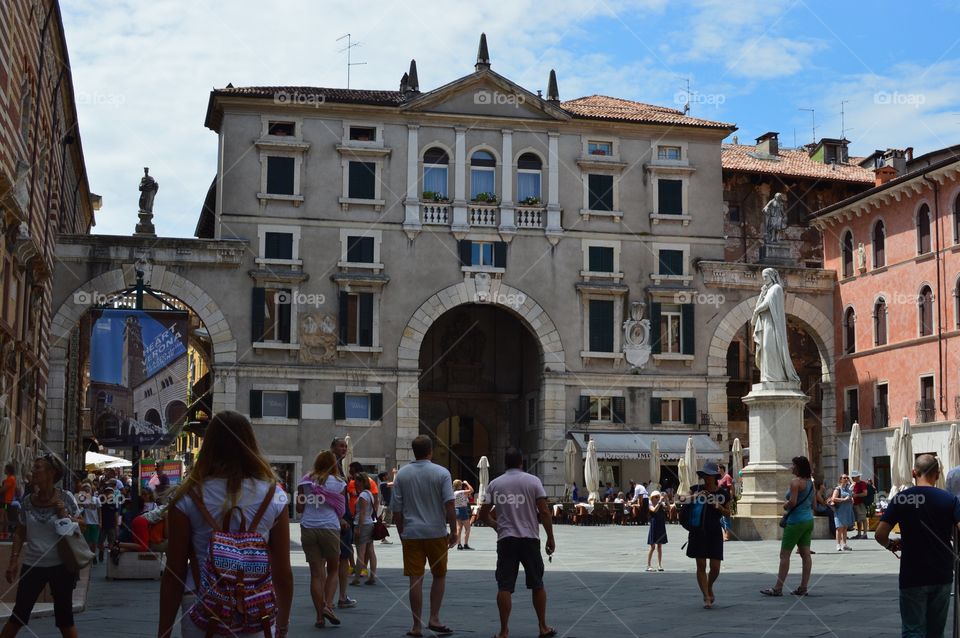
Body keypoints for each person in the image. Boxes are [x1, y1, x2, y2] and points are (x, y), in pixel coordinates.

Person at [158, 411, 293, 638]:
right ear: (250, 443)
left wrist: (163, 632)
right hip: (256, 609)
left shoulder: (187, 497)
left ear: (209, 445)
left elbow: (175, 573)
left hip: (201, 608)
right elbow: (283, 572)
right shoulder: (274, 496)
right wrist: (282, 625)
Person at [876, 454, 960, 638]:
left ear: (914, 472)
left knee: (913, 629)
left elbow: (880, 534)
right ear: (937, 475)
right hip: (942, 572)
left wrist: (892, 545)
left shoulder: (902, 498)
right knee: (936, 631)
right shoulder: (949, 500)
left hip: (912, 573)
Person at [0, 454, 81, 638]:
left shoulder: (66, 498)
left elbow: (81, 526)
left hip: (62, 567)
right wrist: (13, 560)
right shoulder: (28, 501)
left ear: (51, 473)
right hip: (33, 565)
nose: (32, 472)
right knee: (18, 617)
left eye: (37, 468)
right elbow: (20, 532)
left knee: (65, 621)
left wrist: (64, 515)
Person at [479, 448, 556, 638]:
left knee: (504, 586)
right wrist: (550, 537)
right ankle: (543, 627)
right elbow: (545, 512)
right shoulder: (533, 481)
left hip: (506, 540)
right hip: (530, 539)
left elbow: (483, 513)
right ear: (522, 462)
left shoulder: (495, 484)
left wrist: (496, 526)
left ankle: (504, 631)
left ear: (506, 463)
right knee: (537, 584)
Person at [391, 435, 458, 637]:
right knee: (439, 576)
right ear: (430, 451)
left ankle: (417, 626)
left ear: (414, 451)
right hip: (436, 532)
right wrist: (454, 530)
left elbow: (396, 510)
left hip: (411, 533)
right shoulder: (441, 473)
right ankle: (434, 618)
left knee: (415, 579)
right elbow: (449, 504)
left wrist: (402, 532)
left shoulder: (402, 475)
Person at [298, 450, 347, 628]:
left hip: (308, 527)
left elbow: (300, 508)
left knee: (316, 574)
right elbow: (341, 508)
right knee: (333, 570)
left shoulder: (305, 480)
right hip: (330, 527)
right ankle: (328, 605)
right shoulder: (340, 483)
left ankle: (320, 616)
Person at [761, 456, 815, 597]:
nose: (791, 467)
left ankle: (778, 588)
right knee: (806, 555)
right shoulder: (810, 483)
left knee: (784, 555)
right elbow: (814, 504)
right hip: (808, 520)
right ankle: (803, 587)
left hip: (796, 521)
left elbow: (792, 502)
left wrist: (785, 506)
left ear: (798, 467)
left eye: (793, 465)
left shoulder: (795, 482)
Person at [680, 461, 731, 609]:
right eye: (704, 475)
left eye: (710, 476)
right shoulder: (695, 489)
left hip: (715, 531)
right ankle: (706, 596)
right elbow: (680, 500)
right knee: (701, 565)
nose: (707, 478)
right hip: (698, 531)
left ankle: (709, 586)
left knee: (715, 568)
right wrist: (696, 496)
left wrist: (718, 505)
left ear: (715, 476)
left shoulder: (722, 493)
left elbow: (728, 513)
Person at [329, 438, 357, 610]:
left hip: (338, 518)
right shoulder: (333, 466)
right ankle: (340, 597)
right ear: (332, 447)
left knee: (333, 559)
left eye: (346, 446)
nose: (344, 448)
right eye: (341, 445)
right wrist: (340, 517)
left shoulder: (338, 465)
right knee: (342, 558)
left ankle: (329, 599)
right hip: (341, 519)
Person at [351, 472, 378, 586]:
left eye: (357, 481)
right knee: (371, 551)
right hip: (370, 524)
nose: (355, 483)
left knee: (360, 552)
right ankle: (372, 576)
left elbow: (362, 513)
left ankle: (356, 578)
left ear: (362, 482)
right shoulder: (369, 494)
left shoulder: (362, 496)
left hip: (363, 524)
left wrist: (358, 527)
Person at [77, 482, 101, 564]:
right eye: (85, 490)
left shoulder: (96, 499)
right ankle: (88, 556)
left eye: (88, 489)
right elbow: (78, 511)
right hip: (85, 523)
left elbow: (99, 512)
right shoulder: (81, 500)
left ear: (91, 490)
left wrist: (100, 522)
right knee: (87, 542)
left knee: (94, 542)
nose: (87, 491)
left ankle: (93, 555)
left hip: (95, 523)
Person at [830, 474, 854, 551]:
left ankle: (844, 544)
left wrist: (851, 499)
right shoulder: (838, 489)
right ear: (840, 480)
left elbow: (850, 497)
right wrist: (843, 500)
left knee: (845, 527)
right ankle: (838, 544)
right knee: (839, 528)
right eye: (844, 478)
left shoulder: (848, 489)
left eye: (847, 478)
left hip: (847, 510)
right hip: (839, 510)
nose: (846, 479)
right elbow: (833, 498)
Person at [646, 491, 668, 571]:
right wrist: (659, 502)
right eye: (656, 497)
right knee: (652, 546)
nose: (658, 498)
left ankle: (659, 565)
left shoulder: (660, 503)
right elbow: (654, 510)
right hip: (654, 525)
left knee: (659, 546)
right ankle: (648, 565)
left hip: (661, 524)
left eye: (658, 496)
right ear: (652, 498)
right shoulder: (650, 504)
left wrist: (667, 500)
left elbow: (668, 508)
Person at [453, 479, 475, 550]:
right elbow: (472, 490)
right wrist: (467, 483)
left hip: (456, 510)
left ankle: (459, 544)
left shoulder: (453, 493)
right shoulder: (462, 492)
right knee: (467, 528)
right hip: (463, 509)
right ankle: (465, 544)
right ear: (460, 485)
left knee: (459, 528)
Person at [378, 470, 395, 544]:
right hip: (386, 505)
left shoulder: (384, 483)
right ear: (384, 477)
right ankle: (383, 538)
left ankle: (383, 538)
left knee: (386, 522)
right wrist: (395, 473)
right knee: (384, 522)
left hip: (387, 505)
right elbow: (394, 483)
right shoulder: (383, 484)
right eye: (387, 475)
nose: (388, 476)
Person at [850, 471, 869, 539]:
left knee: (863, 518)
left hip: (861, 503)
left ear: (857, 477)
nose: (852, 478)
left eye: (853, 477)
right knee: (858, 519)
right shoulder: (854, 484)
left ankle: (864, 534)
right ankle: (859, 533)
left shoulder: (862, 483)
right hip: (855, 503)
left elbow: (865, 493)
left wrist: (856, 495)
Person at [717, 464, 734, 541]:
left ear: (722, 469)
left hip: (726, 500)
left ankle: (727, 536)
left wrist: (731, 498)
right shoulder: (718, 478)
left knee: (726, 518)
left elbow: (731, 488)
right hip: (720, 500)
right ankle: (725, 533)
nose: (717, 470)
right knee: (720, 519)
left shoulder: (727, 477)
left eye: (718, 469)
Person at [0, 464, 16, 532]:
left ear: (8, 470)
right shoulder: (11, 478)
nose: (4, 470)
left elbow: (3, 489)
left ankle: (1, 532)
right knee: (5, 516)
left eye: (5, 469)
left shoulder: (10, 479)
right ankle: (6, 532)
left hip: (5, 501)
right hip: (6, 501)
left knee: (2, 515)